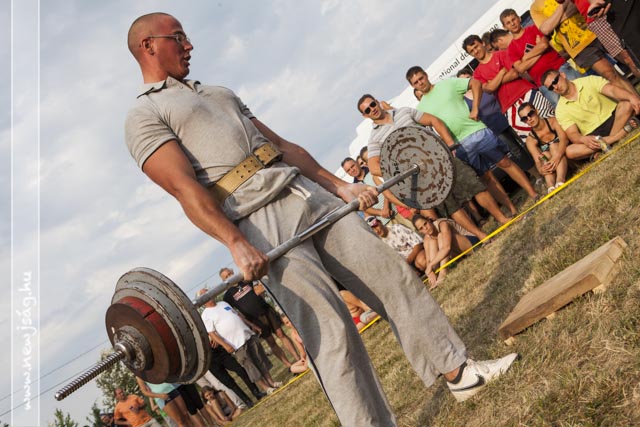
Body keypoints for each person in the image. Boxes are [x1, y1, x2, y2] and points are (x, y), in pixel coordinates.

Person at [125, 13, 518, 426]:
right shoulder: (144, 114)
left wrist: (339, 185)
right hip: (259, 221)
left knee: (394, 277)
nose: (189, 45)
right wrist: (235, 242)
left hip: (307, 192)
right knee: (331, 333)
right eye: (178, 38)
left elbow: (280, 144)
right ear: (148, 45)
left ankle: (459, 372)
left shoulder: (218, 92)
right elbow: (183, 188)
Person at [405, 67, 540, 208]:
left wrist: (475, 108)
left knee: (504, 162)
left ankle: (533, 194)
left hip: (477, 131)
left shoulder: (447, 84)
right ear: (412, 86)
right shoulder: (421, 108)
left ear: (426, 75)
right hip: (458, 146)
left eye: (421, 78)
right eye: (415, 82)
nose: (420, 83)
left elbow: (475, 83)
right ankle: (512, 210)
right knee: (486, 178)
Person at [529, 0, 637, 95]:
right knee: (610, 75)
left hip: (596, 27)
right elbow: (546, 29)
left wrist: (555, 21)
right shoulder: (535, 8)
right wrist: (563, 6)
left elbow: (577, 6)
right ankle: (636, 102)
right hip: (578, 48)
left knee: (629, 59)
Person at [462, 34, 555, 142]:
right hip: (509, 107)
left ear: (482, 43)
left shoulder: (502, 54)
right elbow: (489, 89)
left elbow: (514, 73)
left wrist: (493, 82)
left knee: (552, 122)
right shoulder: (477, 74)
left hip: (527, 93)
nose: (475, 51)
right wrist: (501, 73)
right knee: (533, 139)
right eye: (471, 51)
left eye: (476, 46)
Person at [541, 69, 640, 158]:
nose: (555, 87)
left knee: (627, 103)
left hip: (614, 119)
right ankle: (618, 136)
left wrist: (631, 97)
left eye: (555, 81)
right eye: (551, 88)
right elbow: (572, 133)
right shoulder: (560, 110)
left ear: (563, 75)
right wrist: (583, 139)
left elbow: (612, 90)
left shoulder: (588, 81)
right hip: (593, 136)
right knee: (570, 151)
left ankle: (605, 147)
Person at [198, 289, 279, 395]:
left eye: (208, 292)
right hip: (236, 344)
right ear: (201, 301)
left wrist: (252, 325)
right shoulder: (205, 315)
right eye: (204, 295)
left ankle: (271, 382)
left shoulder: (223, 303)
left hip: (247, 335)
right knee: (250, 366)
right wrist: (225, 345)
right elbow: (212, 333)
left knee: (260, 359)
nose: (208, 295)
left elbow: (238, 315)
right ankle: (266, 388)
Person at [500, 7, 582, 106]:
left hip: (560, 68)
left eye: (513, 19)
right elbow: (520, 68)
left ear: (519, 18)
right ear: (505, 27)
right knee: (564, 107)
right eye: (508, 23)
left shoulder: (534, 28)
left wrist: (525, 58)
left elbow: (544, 45)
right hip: (543, 82)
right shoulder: (511, 49)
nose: (512, 23)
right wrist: (538, 49)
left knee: (581, 91)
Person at [220, 267, 299, 368]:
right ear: (224, 280)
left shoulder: (245, 281)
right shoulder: (228, 296)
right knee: (271, 341)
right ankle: (290, 366)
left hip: (266, 310)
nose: (229, 276)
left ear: (232, 272)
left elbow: (260, 286)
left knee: (281, 334)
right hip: (255, 320)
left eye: (230, 274)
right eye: (226, 276)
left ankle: (298, 359)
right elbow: (228, 312)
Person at [412, 214, 479, 290]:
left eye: (425, 223)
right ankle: (436, 277)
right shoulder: (427, 238)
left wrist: (430, 266)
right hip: (458, 252)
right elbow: (428, 260)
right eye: (421, 228)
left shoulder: (442, 224)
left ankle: (443, 272)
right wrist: (430, 272)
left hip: (472, 242)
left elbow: (447, 248)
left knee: (441, 236)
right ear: (420, 231)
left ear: (429, 220)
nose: (425, 228)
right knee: (431, 241)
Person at [519, 102, 569, 193]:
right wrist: (541, 169)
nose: (529, 119)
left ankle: (560, 180)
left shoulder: (553, 121)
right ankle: (551, 186)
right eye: (524, 118)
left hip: (568, 155)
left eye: (531, 114)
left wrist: (556, 157)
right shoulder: (530, 140)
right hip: (554, 165)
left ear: (537, 111)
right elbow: (537, 161)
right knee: (543, 156)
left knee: (553, 146)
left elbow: (564, 140)